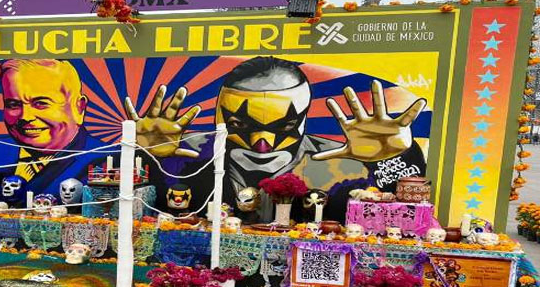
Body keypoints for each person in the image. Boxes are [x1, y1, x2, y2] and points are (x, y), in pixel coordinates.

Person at [129, 57, 428, 221]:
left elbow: (389, 207)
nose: (263, 143)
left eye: (285, 125)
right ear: (219, 117)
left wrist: (394, 156)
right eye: (239, 124)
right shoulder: (189, 154)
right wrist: (143, 152)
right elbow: (130, 191)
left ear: (306, 117)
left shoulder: (340, 164)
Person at [0, 59, 105, 196]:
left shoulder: (106, 158)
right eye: (13, 104)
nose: (25, 116)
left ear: (79, 108)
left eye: (41, 103)